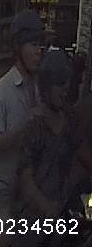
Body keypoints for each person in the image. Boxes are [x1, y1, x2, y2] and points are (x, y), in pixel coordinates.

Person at [0, 10, 47, 219]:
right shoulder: (3, 91)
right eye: (33, 45)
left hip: (29, 192)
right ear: (18, 48)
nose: (39, 51)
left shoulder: (39, 89)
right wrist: (25, 126)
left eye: (41, 45)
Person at [14, 48, 92, 230]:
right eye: (59, 83)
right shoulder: (34, 125)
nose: (64, 89)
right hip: (34, 215)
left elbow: (83, 153)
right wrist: (47, 208)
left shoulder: (69, 118)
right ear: (46, 86)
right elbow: (25, 180)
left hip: (65, 206)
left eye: (66, 83)